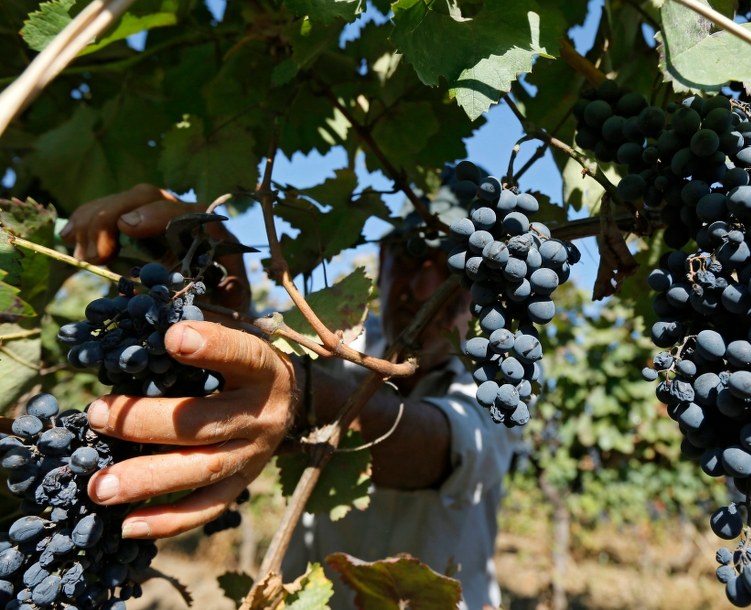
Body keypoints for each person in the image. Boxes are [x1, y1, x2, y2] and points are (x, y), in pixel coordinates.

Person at [61, 180, 521, 609]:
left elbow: (437, 448)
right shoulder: (334, 340)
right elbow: (260, 358)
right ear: (382, 262)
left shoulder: (498, 378)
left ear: (484, 292)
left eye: (452, 271)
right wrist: (223, 306)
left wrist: (300, 394)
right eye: (408, 257)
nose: (422, 289)